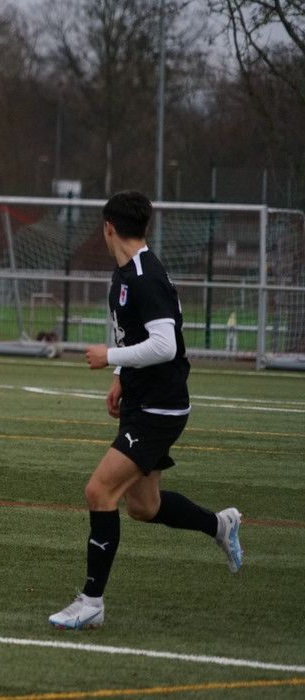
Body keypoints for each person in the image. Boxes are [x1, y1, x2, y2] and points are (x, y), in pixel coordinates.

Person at [48, 190, 243, 630]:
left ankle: (91, 602)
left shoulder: (145, 276)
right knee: (144, 506)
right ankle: (220, 525)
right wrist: (121, 377)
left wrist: (110, 358)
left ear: (108, 228)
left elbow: (165, 345)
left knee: (99, 491)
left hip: (160, 409)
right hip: (142, 401)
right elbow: (135, 333)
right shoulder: (124, 273)